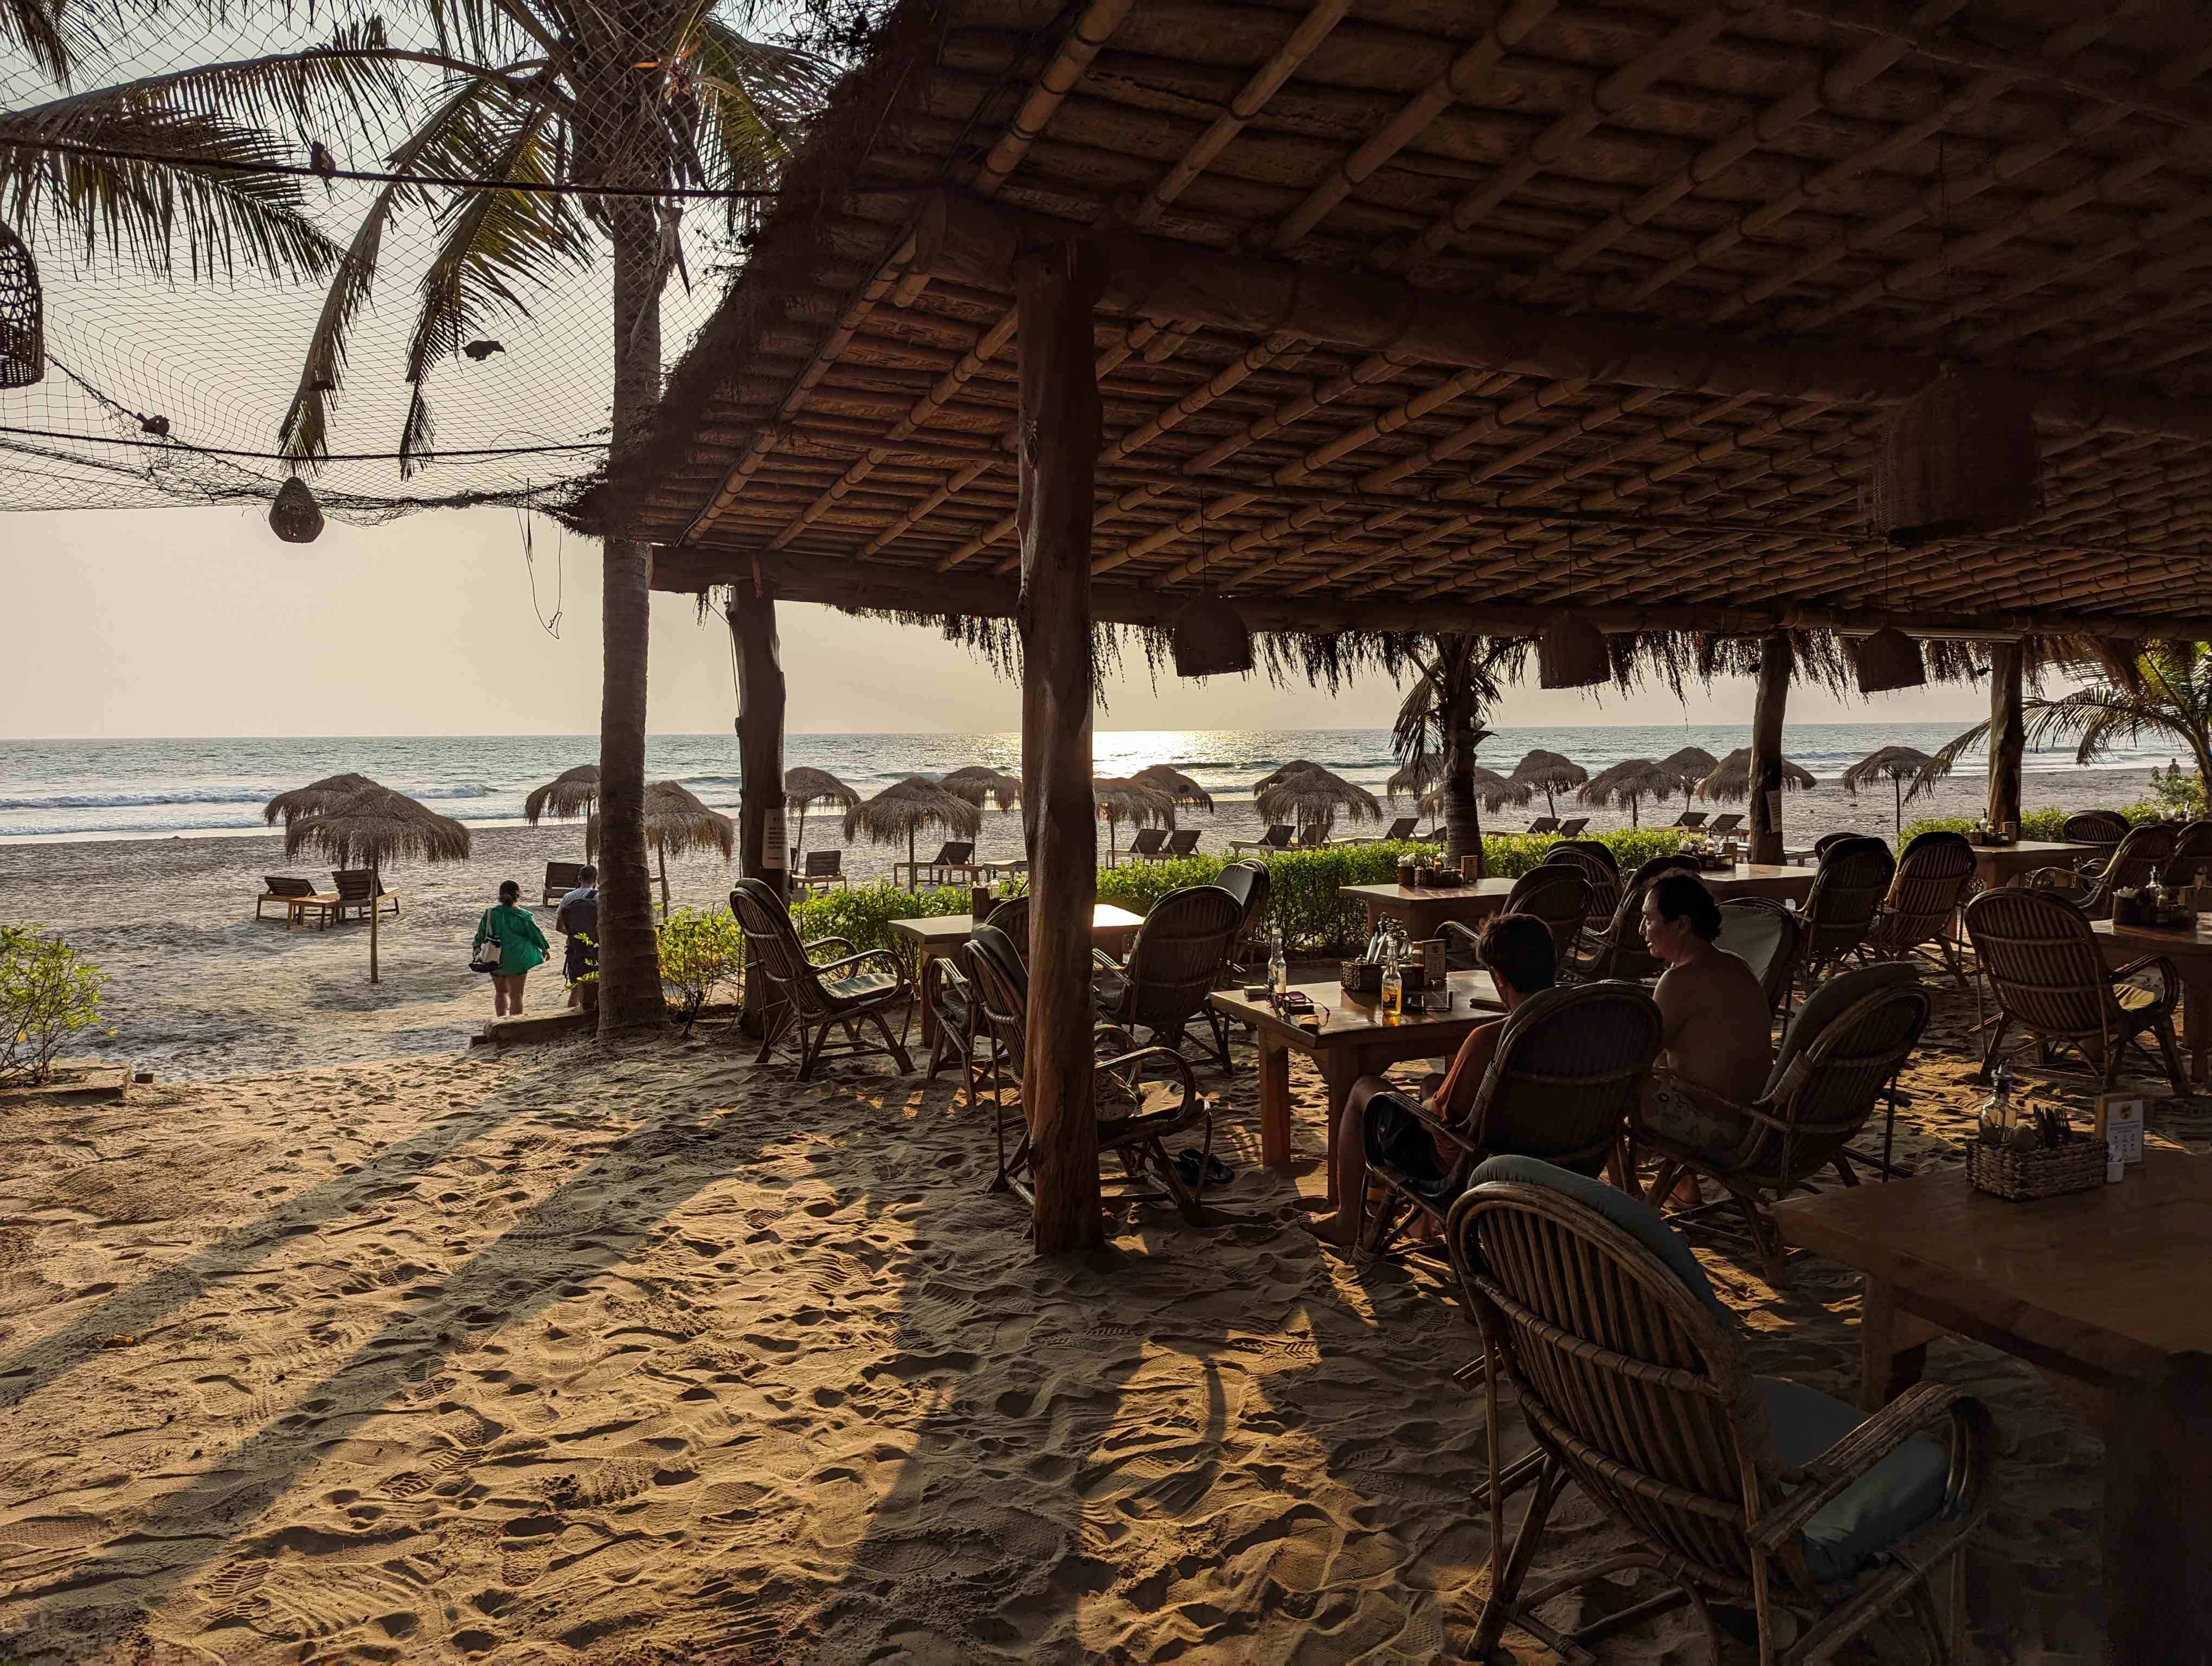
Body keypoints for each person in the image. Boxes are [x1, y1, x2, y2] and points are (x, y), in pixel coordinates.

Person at [1304, 912, 1556, 1249]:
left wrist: (1425, 1104)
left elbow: (1441, 1120)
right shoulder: (1576, 1026)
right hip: (1550, 1148)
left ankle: (1347, 1220)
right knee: (1434, 1082)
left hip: (1464, 1163)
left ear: (1498, 977)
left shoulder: (1489, 1041)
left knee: (1364, 1088)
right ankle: (1423, 1220)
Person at [1636, 872, 1774, 1207]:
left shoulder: (1679, 981)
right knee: (1662, 1063)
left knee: (1612, 1085)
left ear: (1681, 925)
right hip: (1758, 1120)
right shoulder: (1735, 965)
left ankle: (1627, 1194)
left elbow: (1637, 1055)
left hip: (1720, 1128)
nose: (1642, 931)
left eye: (1649, 920)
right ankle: (1685, 1184)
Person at [474, 879, 549, 1018]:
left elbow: (481, 934)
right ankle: (515, 1025)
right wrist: (544, 949)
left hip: (495, 957)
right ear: (518, 895)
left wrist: (476, 947)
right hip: (518, 958)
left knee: (500, 992)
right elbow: (535, 934)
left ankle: (500, 1021)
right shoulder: (524, 916)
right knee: (517, 995)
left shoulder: (491, 913)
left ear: (500, 895)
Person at [554, 863, 599, 1008]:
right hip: (595, 948)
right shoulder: (598, 897)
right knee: (597, 986)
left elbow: (559, 927)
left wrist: (574, 934)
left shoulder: (567, 898)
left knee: (574, 990)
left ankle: (572, 1018)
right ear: (596, 879)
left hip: (574, 948)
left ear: (579, 879)